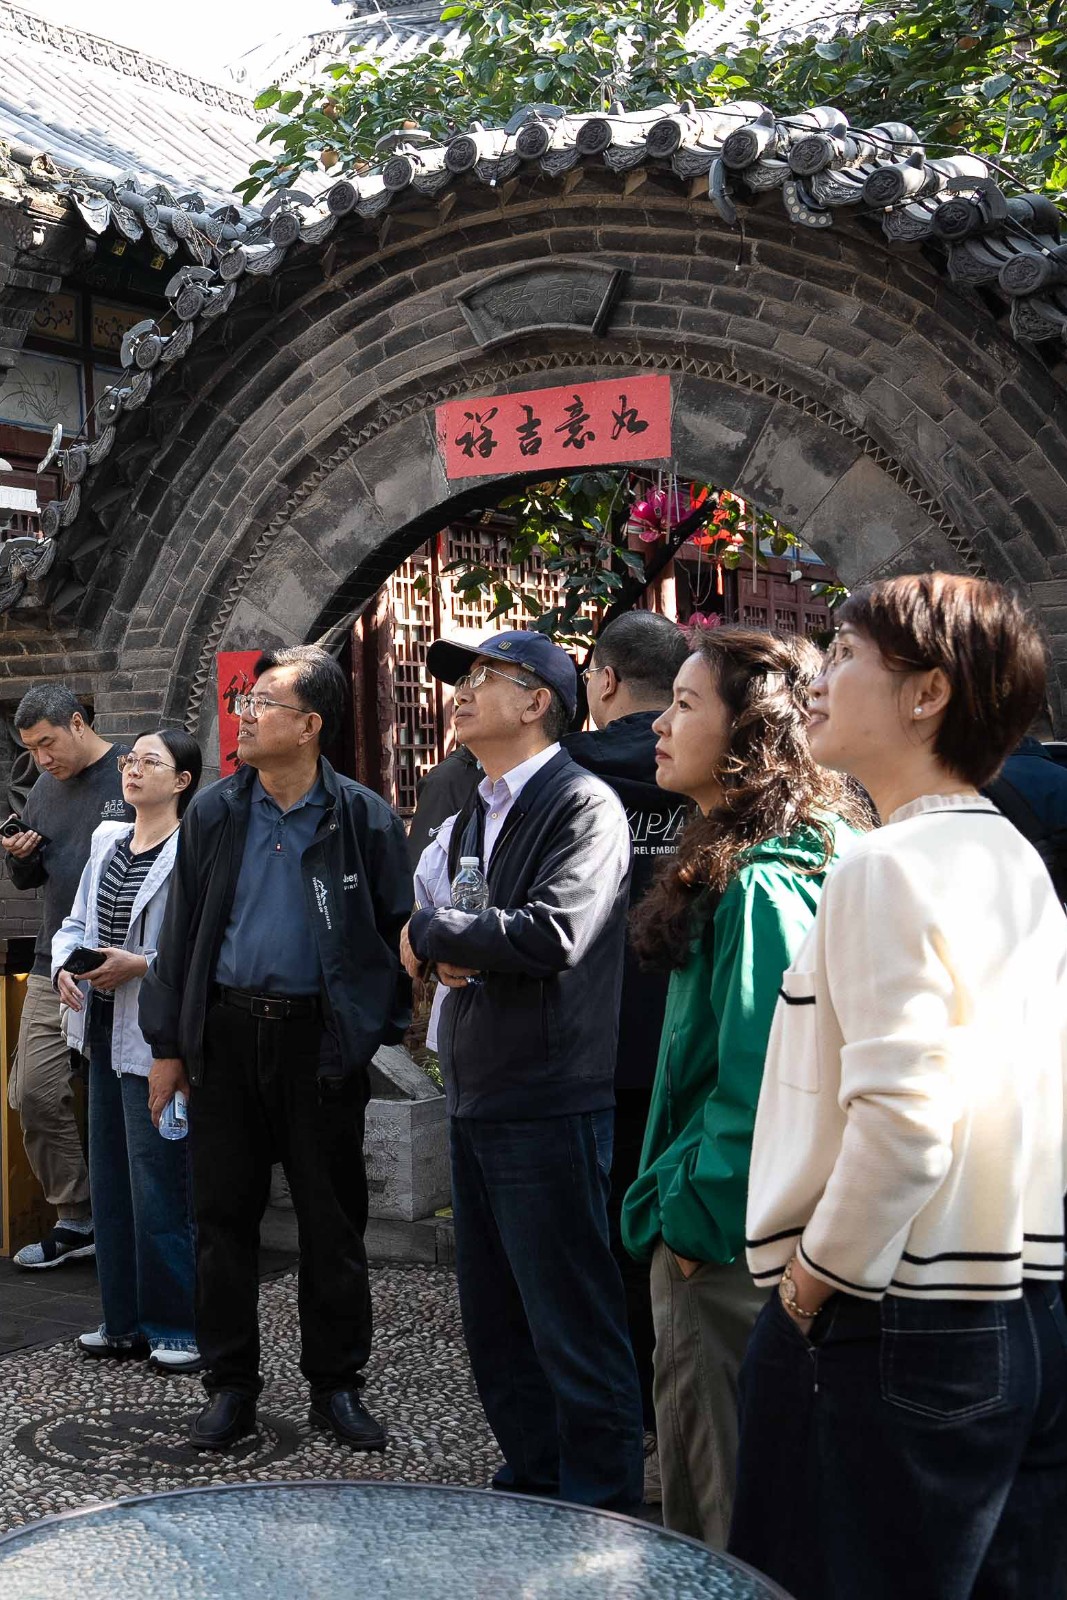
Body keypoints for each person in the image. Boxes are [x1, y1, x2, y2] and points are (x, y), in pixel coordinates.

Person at [731, 574, 1067, 1600]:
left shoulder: (885, 866)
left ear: (927, 693)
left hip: (890, 1316)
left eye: (843, 655)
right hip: (1020, 1306)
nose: (817, 680)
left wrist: (806, 1286)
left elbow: (906, 1123)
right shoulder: (1010, 856)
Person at [621, 625, 866, 1547]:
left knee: (719, 1504)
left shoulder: (763, 882)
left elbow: (766, 1084)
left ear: (749, 732)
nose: (659, 724)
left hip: (728, 1244)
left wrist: (687, 1223)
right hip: (783, 1233)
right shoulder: (823, 846)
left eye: (685, 705)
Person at [139, 645, 411, 1452]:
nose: (245, 715)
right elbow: (181, 933)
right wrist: (168, 1046)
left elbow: (394, 933)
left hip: (317, 1042)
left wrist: (364, 1031)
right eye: (245, 702)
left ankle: (336, 1386)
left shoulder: (361, 816)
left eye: (263, 704)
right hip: (225, 1036)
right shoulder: (217, 811)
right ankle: (230, 1389)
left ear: (310, 725)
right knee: (221, 1221)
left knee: (333, 1224)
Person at [400, 629, 644, 1512]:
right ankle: (531, 1489)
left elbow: (551, 933)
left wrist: (433, 935)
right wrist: (447, 937)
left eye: (483, 677)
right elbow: (457, 919)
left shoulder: (582, 804)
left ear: (538, 702)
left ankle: (602, 1513)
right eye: (460, 678)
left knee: (571, 1323)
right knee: (497, 1325)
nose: (460, 693)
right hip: (475, 1089)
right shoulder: (473, 809)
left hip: (549, 1095)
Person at [563, 609, 691, 1496]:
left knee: (596, 1239)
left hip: (586, 1043)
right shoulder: (706, 769)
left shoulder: (564, 771)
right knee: (674, 1237)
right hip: (683, 1043)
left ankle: (616, 1418)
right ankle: (671, 1412)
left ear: (603, 679)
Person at [52, 729, 202, 1370]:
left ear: (182, 781)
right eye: (130, 760)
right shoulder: (107, 842)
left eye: (150, 762)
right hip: (99, 1032)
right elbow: (74, 923)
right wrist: (64, 964)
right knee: (112, 1185)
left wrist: (141, 965)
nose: (133, 770)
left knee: (160, 1185)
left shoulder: (192, 849)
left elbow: (202, 947)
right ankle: (121, 1322)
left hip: (155, 1039)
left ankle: (177, 1326)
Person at [1, 686, 131, 1270]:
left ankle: (127, 1220)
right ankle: (76, 1216)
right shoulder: (43, 790)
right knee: (32, 1091)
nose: (41, 759)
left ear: (78, 723)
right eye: (30, 749)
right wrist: (20, 855)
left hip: (122, 966)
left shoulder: (132, 773)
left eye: (47, 743)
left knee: (123, 1098)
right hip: (52, 964)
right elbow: (30, 880)